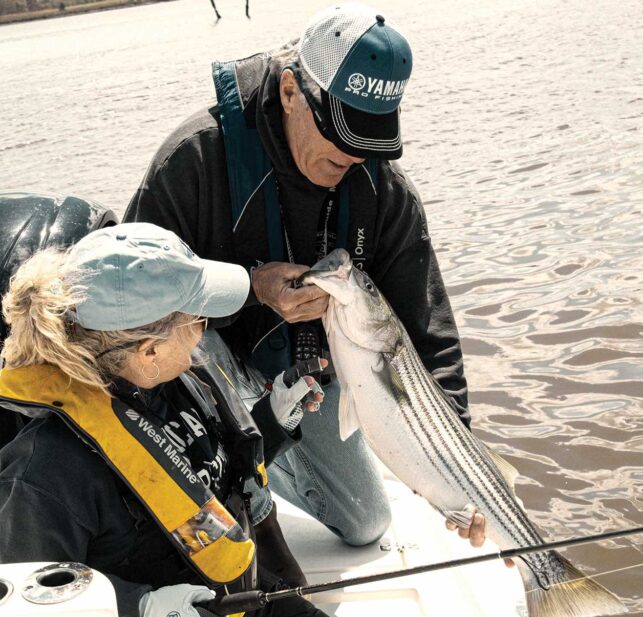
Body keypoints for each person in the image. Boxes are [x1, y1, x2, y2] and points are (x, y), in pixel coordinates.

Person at [0, 222, 411, 617]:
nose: (206, 331)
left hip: (253, 611)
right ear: (148, 349)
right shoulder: (40, 470)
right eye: (197, 320)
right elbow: (22, 599)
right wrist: (141, 612)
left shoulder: (184, 377)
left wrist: (273, 420)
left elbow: (210, 477)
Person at [125, 3, 478, 549]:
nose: (354, 155)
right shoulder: (193, 159)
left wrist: (461, 464)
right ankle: (217, 467)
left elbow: (430, 337)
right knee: (181, 354)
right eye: (343, 133)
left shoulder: (384, 192)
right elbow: (129, 294)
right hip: (199, 362)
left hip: (302, 382)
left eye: (370, 139)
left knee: (366, 523)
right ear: (291, 91)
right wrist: (250, 287)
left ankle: (255, 451)